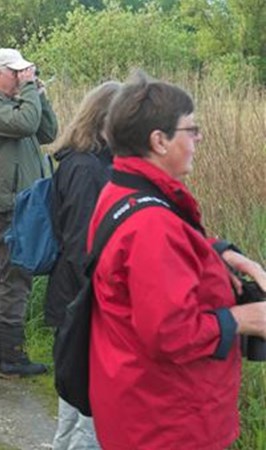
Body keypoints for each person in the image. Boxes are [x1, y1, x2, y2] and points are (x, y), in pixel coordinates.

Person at [86, 71, 266, 449]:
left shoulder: (125, 191)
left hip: (138, 401)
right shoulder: (153, 224)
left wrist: (218, 253)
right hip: (167, 422)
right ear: (159, 141)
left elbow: (149, 262)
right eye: (191, 129)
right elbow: (169, 334)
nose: (198, 139)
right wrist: (243, 319)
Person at [0, 48, 58, 377]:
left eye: (24, 72)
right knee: (17, 276)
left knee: (4, 273)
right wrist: (31, 89)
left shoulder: (13, 104)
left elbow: (47, 132)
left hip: (21, 201)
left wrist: (40, 95)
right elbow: (25, 124)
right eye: (15, 72)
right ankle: (13, 355)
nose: (21, 77)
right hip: (9, 202)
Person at [45, 81, 122, 450]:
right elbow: (80, 243)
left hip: (78, 293)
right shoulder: (85, 168)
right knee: (90, 406)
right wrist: (94, 303)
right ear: (106, 120)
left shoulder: (93, 162)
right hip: (80, 294)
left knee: (77, 399)